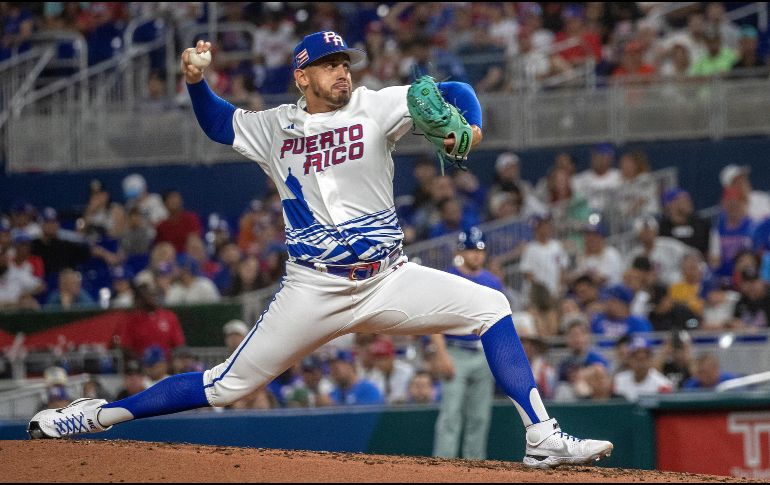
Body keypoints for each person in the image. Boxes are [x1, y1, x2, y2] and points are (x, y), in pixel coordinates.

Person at [29, 33, 612, 469]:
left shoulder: (376, 107)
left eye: (345, 63)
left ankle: (540, 436)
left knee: (491, 306)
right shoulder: (274, 126)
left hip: (388, 278)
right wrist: (194, 80)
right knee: (225, 388)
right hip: (314, 288)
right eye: (330, 65)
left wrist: (474, 127)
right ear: (302, 75)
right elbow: (216, 124)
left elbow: (452, 92)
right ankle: (97, 415)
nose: (342, 72)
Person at [432, 228, 500, 460]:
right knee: (451, 415)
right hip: (455, 351)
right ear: (461, 251)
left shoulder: (492, 281)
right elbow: (434, 321)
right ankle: (443, 467)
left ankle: (475, 469)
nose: (476, 255)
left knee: (480, 417)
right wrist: (441, 354)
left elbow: (497, 324)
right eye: (471, 250)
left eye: (480, 250)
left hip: (483, 353)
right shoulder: (447, 279)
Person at [519, 214, 569, 300]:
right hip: (537, 295)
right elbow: (527, 273)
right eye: (543, 225)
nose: (546, 228)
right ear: (536, 228)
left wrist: (559, 287)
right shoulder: (530, 248)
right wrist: (541, 291)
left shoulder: (557, 245)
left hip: (555, 291)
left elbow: (562, 268)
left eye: (548, 225)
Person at [613, 336, 674, 402]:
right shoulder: (619, 380)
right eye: (637, 358)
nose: (641, 363)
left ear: (651, 360)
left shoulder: (663, 384)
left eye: (645, 358)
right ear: (629, 360)